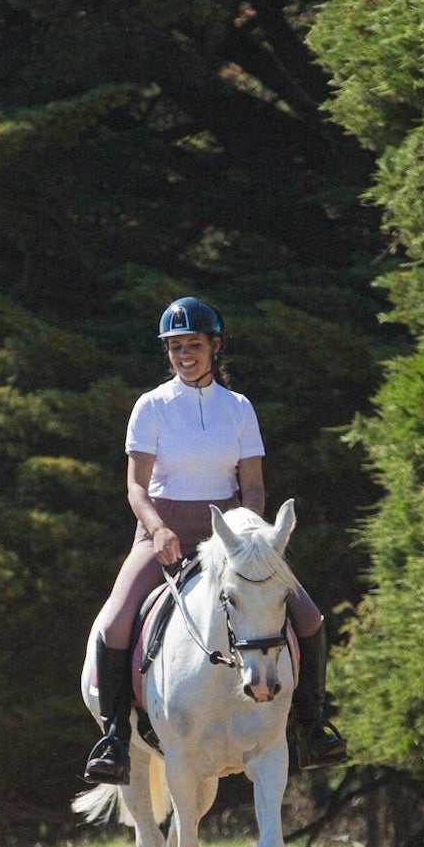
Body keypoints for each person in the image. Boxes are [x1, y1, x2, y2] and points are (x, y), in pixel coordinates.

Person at [84, 297, 348, 784]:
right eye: (175, 347)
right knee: (115, 623)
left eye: (194, 345)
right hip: (161, 531)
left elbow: (252, 486)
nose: (185, 355)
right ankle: (116, 736)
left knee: (308, 617)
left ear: (215, 346)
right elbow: (135, 486)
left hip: (227, 532)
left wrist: (248, 532)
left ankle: (313, 724)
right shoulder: (151, 406)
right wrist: (157, 528)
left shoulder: (239, 409)